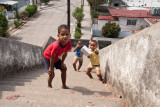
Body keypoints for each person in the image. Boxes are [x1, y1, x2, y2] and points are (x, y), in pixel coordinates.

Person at [43, 24, 72, 89]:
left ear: (70, 35)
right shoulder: (56, 46)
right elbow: (52, 57)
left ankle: (64, 85)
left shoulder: (68, 43)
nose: (65, 36)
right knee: (52, 74)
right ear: (58, 35)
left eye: (67, 34)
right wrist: (51, 67)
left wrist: (62, 63)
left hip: (57, 57)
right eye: (62, 34)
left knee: (64, 68)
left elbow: (65, 53)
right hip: (48, 57)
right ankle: (49, 85)